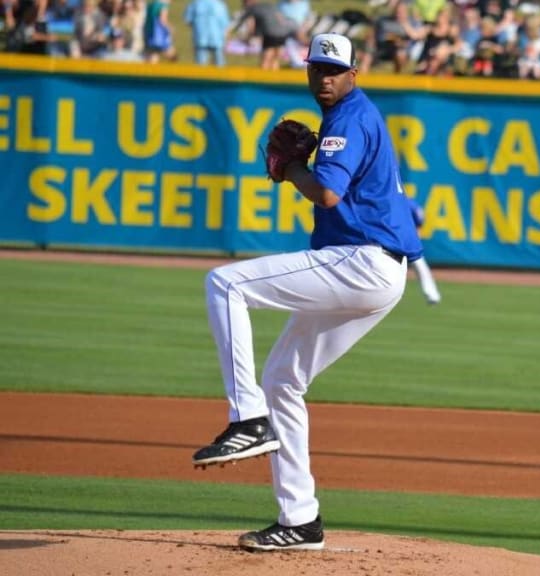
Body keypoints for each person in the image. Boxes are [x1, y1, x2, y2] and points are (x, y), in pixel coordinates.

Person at [192, 32, 423, 551]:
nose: (324, 78)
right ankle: (300, 519)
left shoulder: (350, 117)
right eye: (317, 68)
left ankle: (245, 419)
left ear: (353, 73)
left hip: (361, 262)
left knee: (224, 282)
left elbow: (326, 191)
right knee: (283, 381)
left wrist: (290, 167)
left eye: (334, 70)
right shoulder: (351, 116)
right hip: (377, 272)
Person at [405, 196, 442, 305]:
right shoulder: (388, 200)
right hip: (392, 241)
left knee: (420, 265)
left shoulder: (410, 203)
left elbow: (419, 223)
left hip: (408, 240)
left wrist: (415, 239)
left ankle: (432, 294)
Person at [184, 0, 231, 66]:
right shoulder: (220, 5)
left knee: (200, 66)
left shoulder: (194, 4)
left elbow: (188, 20)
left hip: (200, 38)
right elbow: (225, 24)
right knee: (219, 64)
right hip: (217, 38)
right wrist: (226, 40)